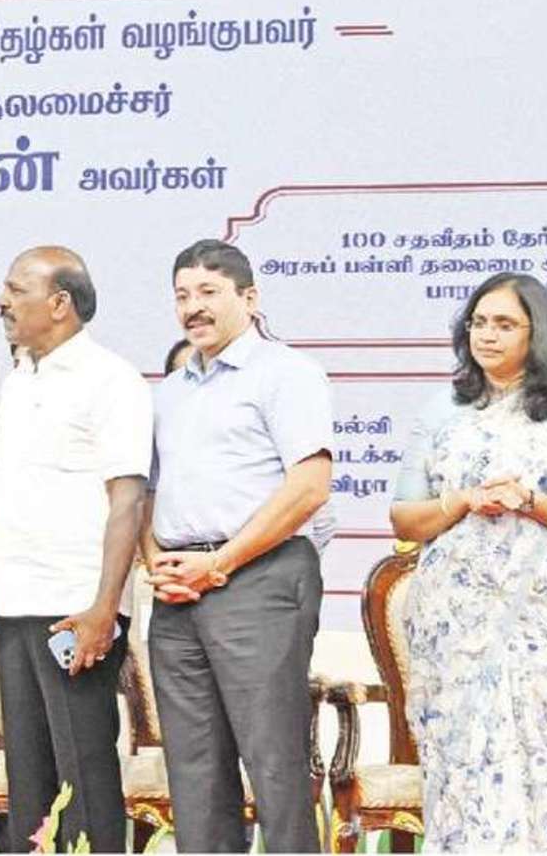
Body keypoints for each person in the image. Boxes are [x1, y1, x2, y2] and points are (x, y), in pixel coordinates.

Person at [388, 273, 547, 852]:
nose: (487, 335)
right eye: (478, 322)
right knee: (461, 770)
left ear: (537, 333)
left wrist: (529, 501)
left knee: (541, 765)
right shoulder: (442, 410)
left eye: (504, 324)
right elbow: (404, 518)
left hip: (542, 627)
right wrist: (462, 500)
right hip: (452, 627)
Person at [145, 238, 333, 854]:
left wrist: (218, 564)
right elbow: (149, 493)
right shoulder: (168, 392)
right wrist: (157, 565)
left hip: (258, 579)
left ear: (249, 299)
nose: (192, 308)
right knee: (194, 770)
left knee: (273, 761)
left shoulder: (287, 374)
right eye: (182, 295)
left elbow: (309, 487)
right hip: (179, 592)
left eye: (208, 292)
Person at [0, 247, 150, 852]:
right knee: (29, 781)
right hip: (15, 604)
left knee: (84, 774)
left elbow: (127, 500)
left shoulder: (111, 379)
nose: (1, 301)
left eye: (15, 289)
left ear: (59, 304)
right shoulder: (16, 379)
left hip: (75, 610)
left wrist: (105, 608)